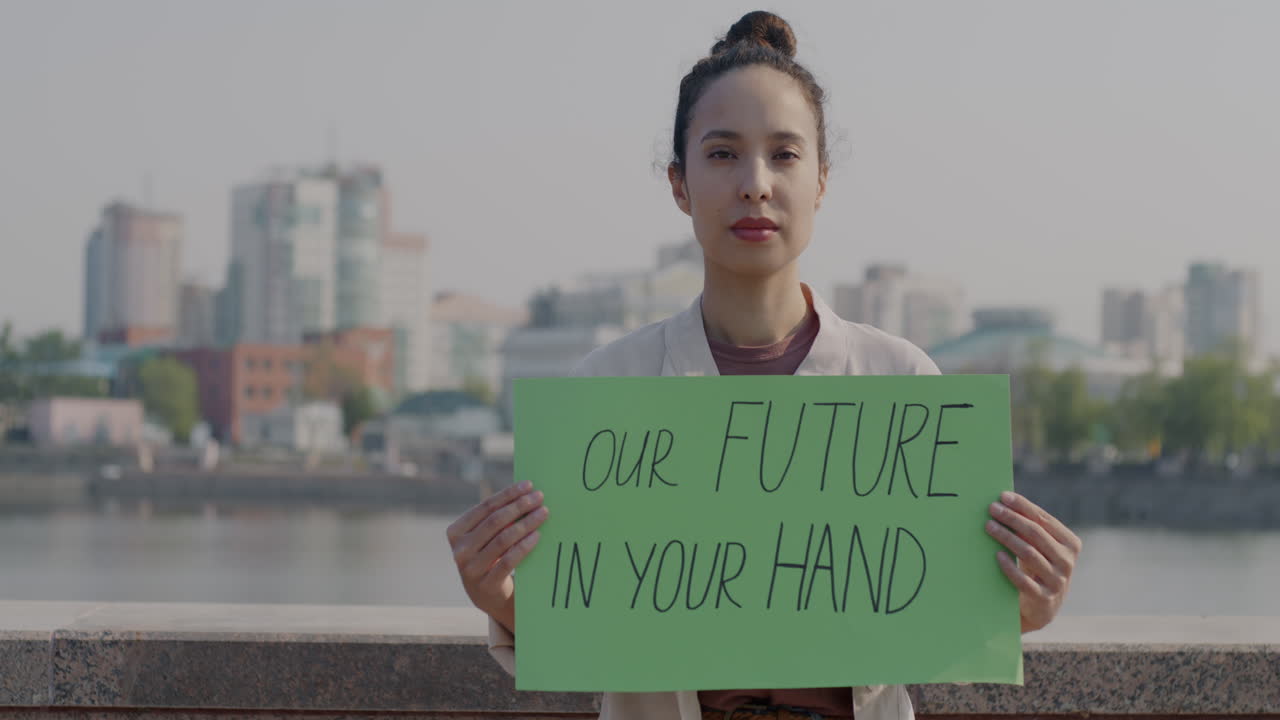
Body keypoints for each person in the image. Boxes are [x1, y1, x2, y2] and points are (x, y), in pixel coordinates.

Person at [446, 11, 1083, 720]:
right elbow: (593, 623)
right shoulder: (605, 391)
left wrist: (1017, 607)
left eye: (784, 154)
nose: (754, 184)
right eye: (722, 154)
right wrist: (499, 598)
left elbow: (930, 619)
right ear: (679, 184)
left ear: (821, 181)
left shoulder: (901, 384)